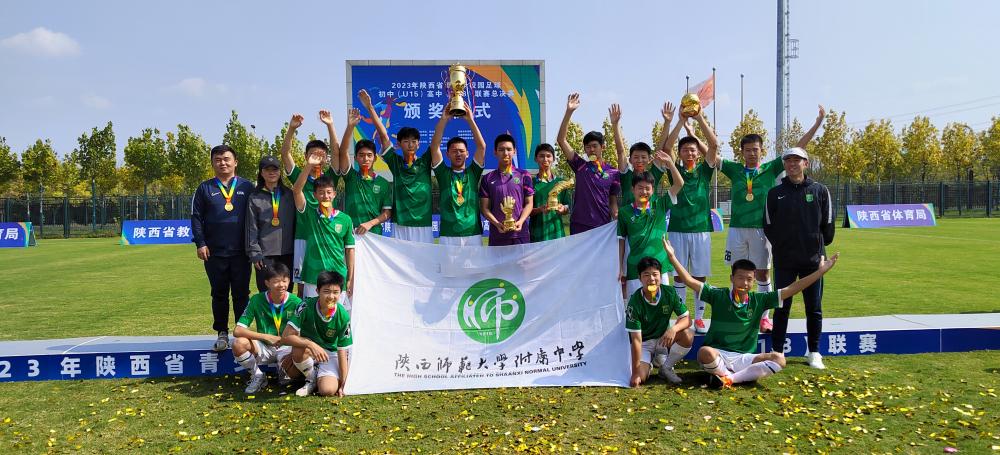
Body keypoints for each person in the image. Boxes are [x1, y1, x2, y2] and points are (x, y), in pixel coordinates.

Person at [706, 105, 825, 332]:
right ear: (742, 152)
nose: (752, 153)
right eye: (748, 150)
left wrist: (817, 124)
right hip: (737, 229)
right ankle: (737, 311)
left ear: (762, 150)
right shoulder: (733, 169)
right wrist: (694, 129)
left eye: (756, 149)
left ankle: (763, 318)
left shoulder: (771, 168)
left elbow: (799, 148)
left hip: (762, 230)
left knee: (762, 273)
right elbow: (710, 154)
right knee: (737, 272)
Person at [666, 238, 839, 388]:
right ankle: (734, 375)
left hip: (744, 358)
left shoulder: (759, 300)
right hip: (718, 354)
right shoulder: (718, 295)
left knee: (779, 359)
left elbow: (792, 288)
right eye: (740, 278)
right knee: (704, 352)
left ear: (754, 281)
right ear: (732, 278)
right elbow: (689, 280)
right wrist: (672, 257)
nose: (744, 283)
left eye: (749, 279)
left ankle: (728, 378)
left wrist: (819, 272)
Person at [764, 147, 836, 369]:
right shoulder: (775, 193)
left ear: (806, 163)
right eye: (788, 160)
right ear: (784, 164)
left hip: (813, 261)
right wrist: (783, 246)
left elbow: (828, 224)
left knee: (813, 307)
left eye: (797, 160)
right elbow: (768, 225)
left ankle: (814, 351)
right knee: (781, 306)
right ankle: (777, 350)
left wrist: (819, 248)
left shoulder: (820, 190)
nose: (792, 164)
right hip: (785, 260)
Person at [191, 144, 256, 351]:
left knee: (241, 293)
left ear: (235, 162)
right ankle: (221, 332)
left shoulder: (247, 186)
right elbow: (196, 218)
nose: (223, 163)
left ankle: (242, 333)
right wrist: (201, 243)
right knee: (219, 293)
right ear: (212, 163)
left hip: (242, 252)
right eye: (218, 160)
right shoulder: (204, 188)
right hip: (214, 252)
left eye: (227, 159)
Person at [661, 106, 719, 334]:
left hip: (701, 230)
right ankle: (681, 315)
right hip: (677, 229)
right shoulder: (674, 170)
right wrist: (679, 121)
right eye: (685, 150)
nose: (689, 153)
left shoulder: (705, 171)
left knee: (699, 275)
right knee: (678, 275)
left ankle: (700, 317)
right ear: (681, 153)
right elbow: (667, 148)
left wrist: (699, 118)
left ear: (697, 153)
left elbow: (713, 145)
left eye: (693, 150)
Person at [359, 89, 434, 243]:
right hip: (400, 224)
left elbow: (437, 141)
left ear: (419, 144)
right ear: (399, 144)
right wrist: (370, 108)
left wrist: (444, 117)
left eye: (414, 141)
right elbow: (383, 135)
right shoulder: (396, 162)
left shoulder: (426, 161)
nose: (410, 144)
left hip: (423, 225)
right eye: (406, 141)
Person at [279, 112, 339, 291]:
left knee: (327, 281)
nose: (317, 158)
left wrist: (330, 125)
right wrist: (291, 129)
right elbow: (285, 154)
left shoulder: (330, 179)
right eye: (313, 154)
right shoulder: (300, 176)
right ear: (306, 157)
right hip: (303, 236)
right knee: (301, 285)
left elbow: (337, 153)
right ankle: (302, 310)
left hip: (326, 237)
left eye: (321, 155)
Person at [292, 153, 356, 300]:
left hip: (338, 276)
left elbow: (350, 250)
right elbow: (296, 191)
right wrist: (309, 165)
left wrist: (350, 278)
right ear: (314, 195)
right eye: (321, 193)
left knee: (336, 312)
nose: (325, 196)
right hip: (313, 276)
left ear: (334, 194)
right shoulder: (309, 214)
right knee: (314, 312)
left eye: (328, 192)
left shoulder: (345, 219)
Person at [232, 262, 302, 393]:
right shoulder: (257, 300)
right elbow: (238, 330)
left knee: (289, 377)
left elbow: (303, 331)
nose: (281, 285)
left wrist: (292, 348)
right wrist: (265, 337)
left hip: (287, 348)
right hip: (264, 347)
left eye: (284, 281)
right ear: (267, 283)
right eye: (276, 281)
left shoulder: (296, 302)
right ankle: (258, 376)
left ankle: (292, 375)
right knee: (238, 343)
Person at [556, 93, 621, 234]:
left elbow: (612, 201)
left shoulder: (613, 173)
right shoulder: (580, 165)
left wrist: (616, 216)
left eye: (594, 146)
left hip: (602, 227)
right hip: (579, 226)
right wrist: (569, 112)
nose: (591, 150)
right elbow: (561, 140)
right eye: (588, 147)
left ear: (603, 147)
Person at [282, 271, 352, 397]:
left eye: (335, 292)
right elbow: (286, 337)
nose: (331, 296)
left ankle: (315, 373)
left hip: (330, 355)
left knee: (327, 390)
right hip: (308, 351)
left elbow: (342, 352)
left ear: (340, 294)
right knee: (292, 365)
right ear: (317, 291)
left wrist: (343, 384)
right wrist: (311, 344)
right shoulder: (305, 306)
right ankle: (311, 379)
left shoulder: (343, 316)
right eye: (326, 291)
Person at [618, 165, 683, 298]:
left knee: (661, 304)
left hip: (660, 267)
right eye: (640, 188)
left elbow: (679, 184)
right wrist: (620, 267)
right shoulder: (624, 212)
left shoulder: (660, 205)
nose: (644, 191)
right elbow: (621, 241)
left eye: (647, 188)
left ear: (653, 190)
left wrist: (670, 164)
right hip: (635, 268)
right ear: (632, 189)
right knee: (636, 304)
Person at [626, 256, 693, 387]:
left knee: (688, 334)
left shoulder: (670, 292)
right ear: (639, 278)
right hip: (644, 343)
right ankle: (650, 362)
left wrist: (673, 329)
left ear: (660, 276)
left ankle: (666, 367)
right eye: (646, 275)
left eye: (655, 274)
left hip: (663, 339)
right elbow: (636, 340)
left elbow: (687, 319)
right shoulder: (634, 302)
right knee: (640, 378)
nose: (651, 279)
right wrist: (635, 373)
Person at [428, 102, 487, 246]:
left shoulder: (473, 172)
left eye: (461, 151)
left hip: (473, 233)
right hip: (448, 234)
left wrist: (470, 120)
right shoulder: (443, 173)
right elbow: (434, 147)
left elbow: (481, 147)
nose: (458, 154)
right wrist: (444, 119)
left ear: (467, 154)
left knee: (476, 263)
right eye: (454, 151)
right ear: (447, 154)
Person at [333, 108, 393, 236]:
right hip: (351, 234)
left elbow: (387, 213)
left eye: (369, 155)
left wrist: (370, 223)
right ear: (355, 158)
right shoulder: (351, 177)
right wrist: (350, 126)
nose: (365, 159)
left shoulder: (383, 183)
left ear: (375, 158)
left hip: (375, 235)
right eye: (361, 155)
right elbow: (343, 152)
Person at [246, 155, 296, 292]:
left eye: (275, 169)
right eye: (267, 170)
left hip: (288, 253)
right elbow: (251, 228)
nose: (271, 172)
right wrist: (255, 253)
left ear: (280, 172)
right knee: (266, 294)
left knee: (286, 293)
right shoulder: (254, 197)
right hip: (264, 255)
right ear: (261, 173)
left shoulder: (290, 195)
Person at [479, 134, 534, 246]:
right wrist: (497, 224)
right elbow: (484, 208)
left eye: (509, 149)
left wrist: (521, 221)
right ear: (495, 152)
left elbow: (529, 203)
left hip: (520, 234)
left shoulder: (524, 175)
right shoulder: (487, 178)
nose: (505, 153)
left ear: (514, 151)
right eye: (501, 150)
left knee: (523, 259)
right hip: (497, 235)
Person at [529, 143, 571, 242]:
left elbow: (568, 206)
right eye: (541, 156)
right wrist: (539, 209)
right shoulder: (530, 182)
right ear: (535, 159)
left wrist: (563, 209)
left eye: (548, 156)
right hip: (537, 234)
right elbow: (525, 210)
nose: (545, 159)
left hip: (557, 233)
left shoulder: (561, 183)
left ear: (553, 159)